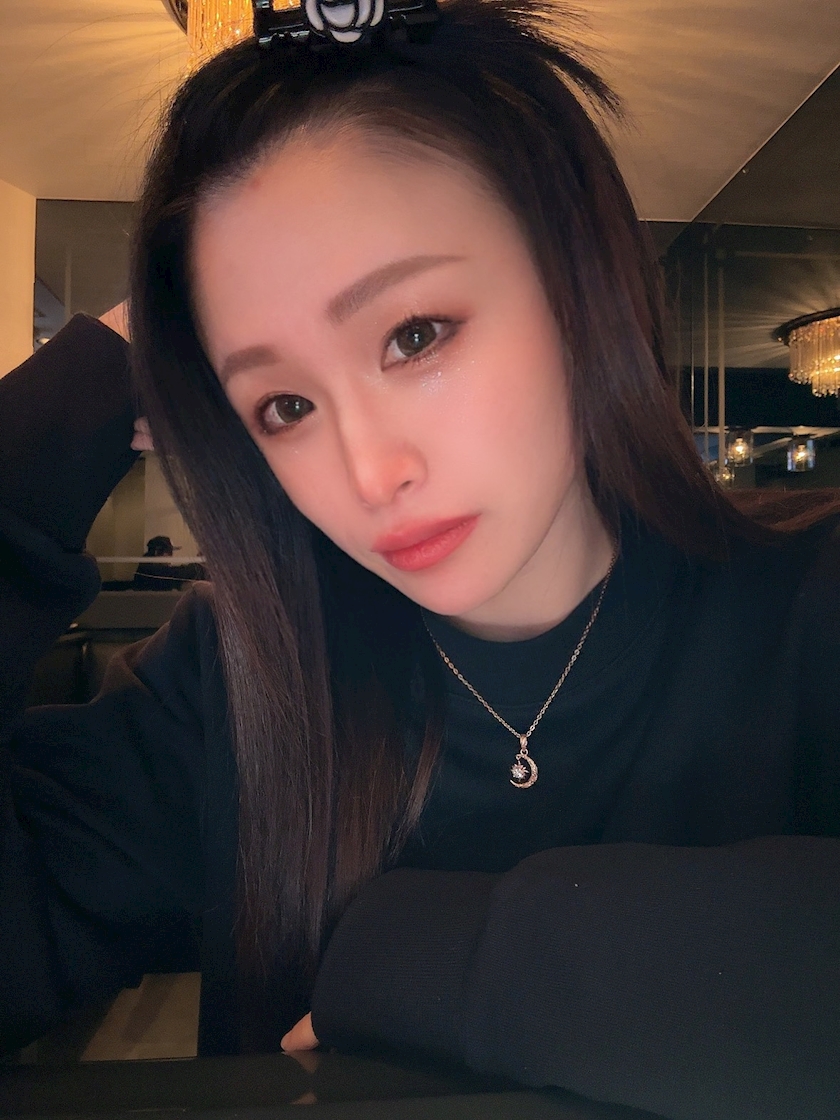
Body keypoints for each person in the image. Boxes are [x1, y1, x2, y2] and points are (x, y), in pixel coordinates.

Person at [0, 2, 838, 1117]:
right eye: (284, 404)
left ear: (577, 284)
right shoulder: (237, 687)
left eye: (415, 335)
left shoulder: (810, 604)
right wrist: (83, 389)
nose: (369, 470)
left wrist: (439, 961)